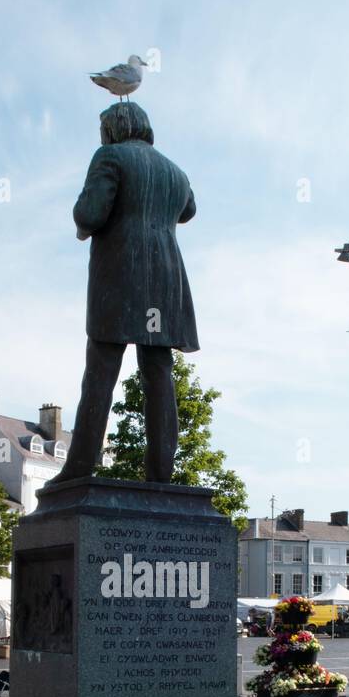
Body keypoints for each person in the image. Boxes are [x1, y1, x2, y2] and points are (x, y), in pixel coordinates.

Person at [50, 101, 198, 485]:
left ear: (113, 129)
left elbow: (89, 214)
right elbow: (188, 210)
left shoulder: (110, 156)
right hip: (165, 278)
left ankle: (80, 465)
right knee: (159, 371)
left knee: (101, 369)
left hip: (119, 273)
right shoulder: (175, 172)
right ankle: (161, 474)